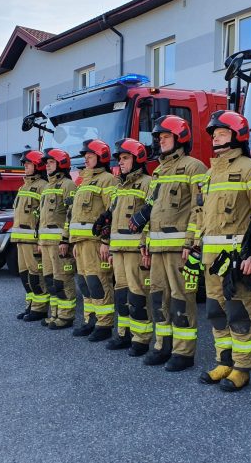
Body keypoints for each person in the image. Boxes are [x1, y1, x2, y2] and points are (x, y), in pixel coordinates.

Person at [130, 115, 207, 372]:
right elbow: (151, 210)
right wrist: (144, 242)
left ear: (180, 138)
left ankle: (183, 352)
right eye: (159, 138)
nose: (161, 142)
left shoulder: (194, 167)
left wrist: (191, 243)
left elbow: (200, 209)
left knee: (180, 299)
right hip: (157, 247)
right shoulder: (159, 171)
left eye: (165, 137)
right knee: (158, 299)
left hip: (178, 249)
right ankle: (162, 345)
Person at [196, 110, 251, 391]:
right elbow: (202, 215)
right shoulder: (211, 173)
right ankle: (223, 361)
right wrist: (195, 248)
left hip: (236, 259)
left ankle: (242, 368)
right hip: (212, 259)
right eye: (214, 134)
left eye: (222, 133)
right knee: (215, 311)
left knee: (239, 312)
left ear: (238, 135)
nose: (216, 138)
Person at [95, 138, 153, 353]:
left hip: (135, 251)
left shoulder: (148, 182)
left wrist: (145, 244)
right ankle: (124, 334)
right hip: (118, 250)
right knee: (121, 295)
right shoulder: (119, 187)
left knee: (138, 295)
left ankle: (141, 338)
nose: (121, 162)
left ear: (138, 159)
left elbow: (151, 215)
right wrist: (108, 243)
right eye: (120, 159)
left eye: (125, 158)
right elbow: (112, 219)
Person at [61, 139, 118, 342]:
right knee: (85, 284)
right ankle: (90, 320)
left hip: (96, 243)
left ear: (101, 157)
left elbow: (112, 212)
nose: (85, 159)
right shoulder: (83, 181)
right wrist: (71, 241)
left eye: (90, 156)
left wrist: (106, 241)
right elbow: (73, 215)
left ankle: (104, 324)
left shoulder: (108, 180)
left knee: (99, 282)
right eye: (85, 156)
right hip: (80, 243)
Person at [38, 148, 78, 329]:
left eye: (51, 163)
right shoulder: (46, 187)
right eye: (46, 163)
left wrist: (65, 240)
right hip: (45, 243)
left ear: (61, 164)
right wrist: (39, 240)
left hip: (58, 243)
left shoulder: (68, 185)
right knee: (50, 280)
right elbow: (41, 216)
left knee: (63, 279)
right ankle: (54, 314)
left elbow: (72, 214)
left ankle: (66, 316)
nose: (47, 166)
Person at [12, 149, 49, 322]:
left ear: (37, 166)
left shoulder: (43, 186)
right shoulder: (23, 186)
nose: (25, 167)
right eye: (25, 164)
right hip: (20, 239)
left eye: (28, 164)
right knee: (24, 274)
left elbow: (44, 215)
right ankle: (30, 305)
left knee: (36, 275)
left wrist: (40, 240)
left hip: (33, 239)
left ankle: (40, 308)